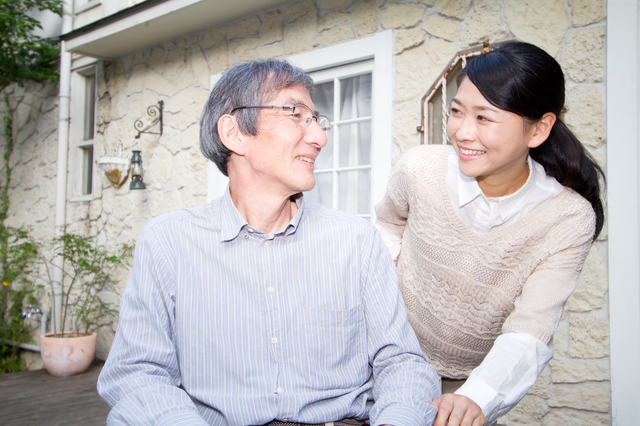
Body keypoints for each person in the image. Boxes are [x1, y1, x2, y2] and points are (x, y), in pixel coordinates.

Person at [97, 59, 440, 426]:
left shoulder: (355, 241)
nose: (320, 137)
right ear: (234, 133)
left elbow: (401, 362)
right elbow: (138, 374)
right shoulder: (168, 243)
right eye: (296, 115)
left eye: (316, 120)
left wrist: (396, 418)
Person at [375, 42, 604, 426]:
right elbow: (386, 226)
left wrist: (477, 396)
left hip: (467, 386)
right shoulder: (419, 169)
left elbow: (531, 327)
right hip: (385, 353)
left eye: (485, 118)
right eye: (457, 112)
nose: (462, 132)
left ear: (540, 128)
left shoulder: (567, 218)